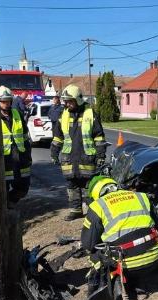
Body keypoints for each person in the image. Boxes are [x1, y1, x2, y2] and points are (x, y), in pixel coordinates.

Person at [80, 176, 158, 300]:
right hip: (154, 260)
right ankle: (139, 281)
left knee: (94, 255)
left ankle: (115, 285)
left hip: (126, 264)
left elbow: (88, 244)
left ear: (95, 193)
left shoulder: (97, 206)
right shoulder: (141, 196)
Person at [50, 84, 107, 221]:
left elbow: (99, 136)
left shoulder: (90, 113)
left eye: (70, 101)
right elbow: (58, 137)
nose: (67, 104)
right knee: (72, 184)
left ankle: (93, 213)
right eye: (66, 101)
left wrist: (100, 155)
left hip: (87, 157)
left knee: (89, 186)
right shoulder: (63, 115)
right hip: (69, 158)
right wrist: (54, 152)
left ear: (78, 100)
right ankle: (75, 210)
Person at [0, 86, 32, 207]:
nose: (6, 104)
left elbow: (24, 136)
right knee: (3, 189)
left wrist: (27, 154)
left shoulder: (16, 113)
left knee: (23, 188)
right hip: (4, 161)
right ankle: (6, 210)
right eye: (3, 101)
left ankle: (10, 202)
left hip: (21, 158)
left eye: (8, 101)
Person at [47, 93, 64, 165]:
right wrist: (50, 117)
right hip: (54, 125)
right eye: (53, 99)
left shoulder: (62, 107)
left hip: (60, 125)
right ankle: (54, 157)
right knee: (55, 140)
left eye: (54, 99)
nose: (53, 100)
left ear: (58, 100)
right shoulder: (52, 107)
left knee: (59, 140)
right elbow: (49, 114)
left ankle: (57, 156)